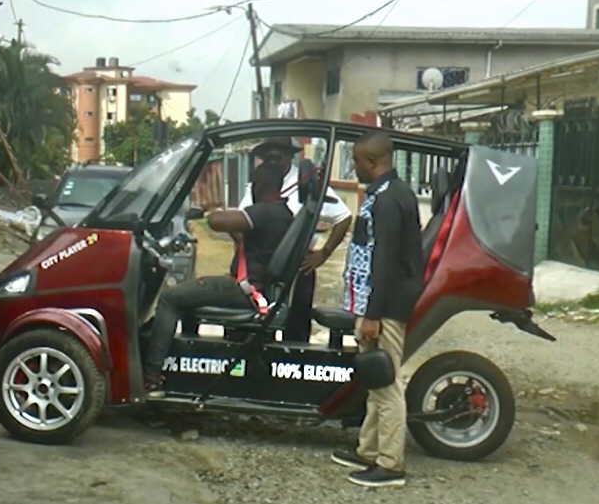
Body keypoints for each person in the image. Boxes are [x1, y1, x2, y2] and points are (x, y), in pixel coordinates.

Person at [143, 162, 293, 396]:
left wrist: (211, 208)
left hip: (244, 290)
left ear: (261, 186)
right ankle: (183, 363)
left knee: (170, 299)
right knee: (190, 293)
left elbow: (216, 222)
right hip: (255, 288)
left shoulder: (265, 211)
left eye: (253, 184)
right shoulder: (283, 214)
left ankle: (151, 377)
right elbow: (245, 236)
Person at [330, 129, 424, 488]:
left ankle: (390, 464)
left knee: (386, 383)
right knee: (374, 380)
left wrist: (372, 314)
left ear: (372, 161)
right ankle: (368, 450)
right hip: (374, 303)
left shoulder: (388, 200)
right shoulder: (385, 194)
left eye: (355, 161)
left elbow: (384, 262)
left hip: (383, 306)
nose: (353, 167)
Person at [237, 137, 352, 343]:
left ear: (289, 157)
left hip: (298, 264)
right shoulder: (259, 182)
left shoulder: (306, 182)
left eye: (276, 156)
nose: (271, 162)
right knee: (258, 324)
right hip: (263, 266)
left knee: (296, 326)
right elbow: (241, 219)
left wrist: (324, 254)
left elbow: (343, 217)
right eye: (266, 157)